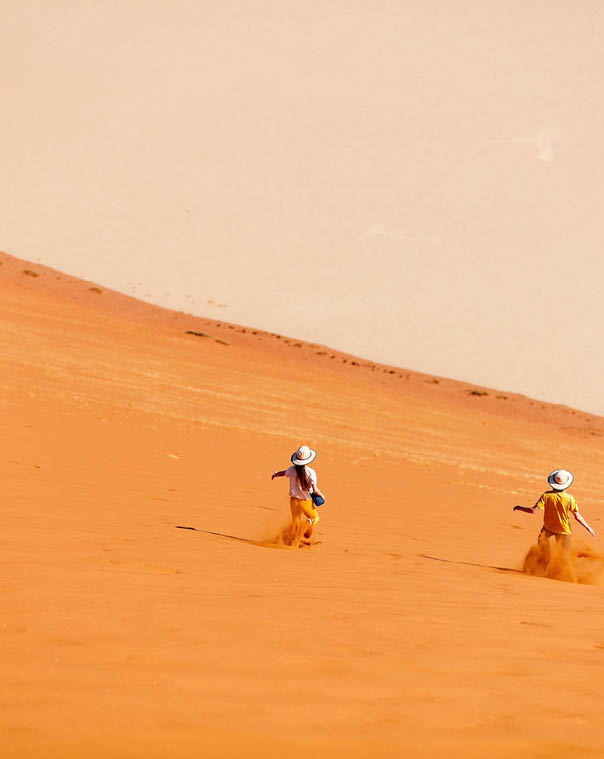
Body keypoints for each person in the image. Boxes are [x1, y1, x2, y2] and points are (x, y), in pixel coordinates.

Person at [513, 469, 595, 556]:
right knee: (563, 555)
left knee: (542, 548)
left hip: (548, 528)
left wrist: (520, 508)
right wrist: (588, 528)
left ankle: (545, 563)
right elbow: (577, 516)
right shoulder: (569, 498)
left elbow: (533, 511)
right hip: (564, 530)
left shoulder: (546, 495)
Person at [271, 445, 326, 546]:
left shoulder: (292, 469)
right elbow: (315, 490)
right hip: (305, 501)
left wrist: (275, 474)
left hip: (293, 501)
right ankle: (306, 524)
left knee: (295, 522)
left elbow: (283, 473)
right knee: (315, 518)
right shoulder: (311, 472)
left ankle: (290, 540)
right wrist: (322, 496)